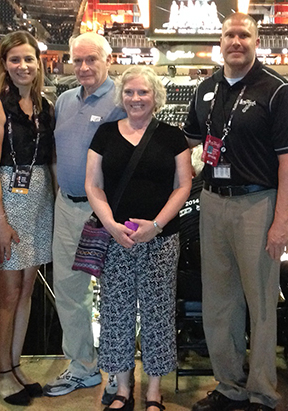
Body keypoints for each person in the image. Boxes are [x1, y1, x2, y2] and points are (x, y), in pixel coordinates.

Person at [184, 13, 288, 411]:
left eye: (244, 35)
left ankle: (262, 391)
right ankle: (230, 385)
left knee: (261, 302)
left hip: (257, 203)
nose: (236, 41)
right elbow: (187, 146)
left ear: (256, 41)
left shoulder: (276, 90)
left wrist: (281, 222)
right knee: (219, 301)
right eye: (229, 35)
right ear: (219, 41)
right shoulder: (204, 89)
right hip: (213, 202)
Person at [86, 65, 192, 411]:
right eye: (129, 92)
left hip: (160, 239)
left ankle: (154, 390)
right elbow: (93, 184)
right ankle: (121, 386)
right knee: (115, 311)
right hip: (116, 237)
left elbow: (184, 185)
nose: (135, 98)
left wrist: (157, 225)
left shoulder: (172, 136)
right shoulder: (104, 134)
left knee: (157, 311)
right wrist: (112, 225)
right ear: (121, 96)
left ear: (155, 97)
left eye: (142, 92)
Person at [44, 32, 125, 398]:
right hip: (67, 206)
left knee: (114, 293)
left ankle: (119, 373)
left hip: (106, 211)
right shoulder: (63, 101)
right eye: (77, 60)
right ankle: (83, 367)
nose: (84, 67)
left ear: (107, 59)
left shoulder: (122, 98)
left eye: (91, 59)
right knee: (68, 290)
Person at [0, 31, 55, 405]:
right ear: (4, 65)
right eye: (16, 60)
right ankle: (0, 372)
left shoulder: (45, 105)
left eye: (30, 59)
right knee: (7, 292)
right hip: (10, 198)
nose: (23, 66)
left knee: (27, 288)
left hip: (40, 199)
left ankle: (14, 362)